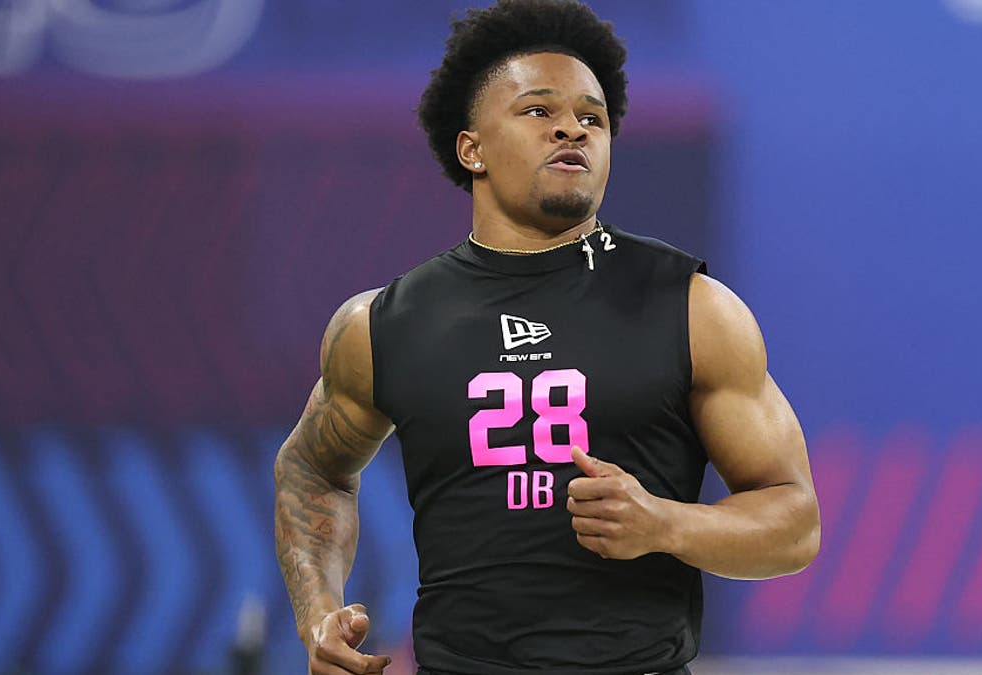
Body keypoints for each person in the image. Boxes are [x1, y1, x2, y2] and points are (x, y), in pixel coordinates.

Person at [273, 1, 821, 673]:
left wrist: (665, 523)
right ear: (469, 147)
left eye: (593, 117)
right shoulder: (384, 323)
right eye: (539, 111)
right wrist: (318, 610)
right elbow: (312, 469)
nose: (573, 127)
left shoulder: (691, 308)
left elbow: (795, 521)